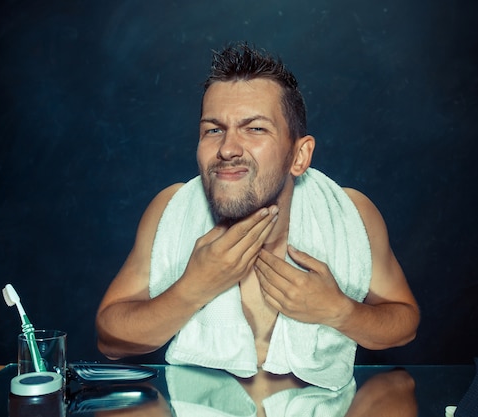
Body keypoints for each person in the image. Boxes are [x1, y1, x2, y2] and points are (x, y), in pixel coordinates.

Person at [95, 42, 420, 416]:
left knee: (397, 386)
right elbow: (110, 339)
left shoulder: (350, 214)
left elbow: (404, 324)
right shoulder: (170, 209)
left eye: (255, 129)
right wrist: (191, 289)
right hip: (198, 407)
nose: (228, 148)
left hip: (321, 408)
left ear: (299, 155)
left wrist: (338, 311)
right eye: (213, 130)